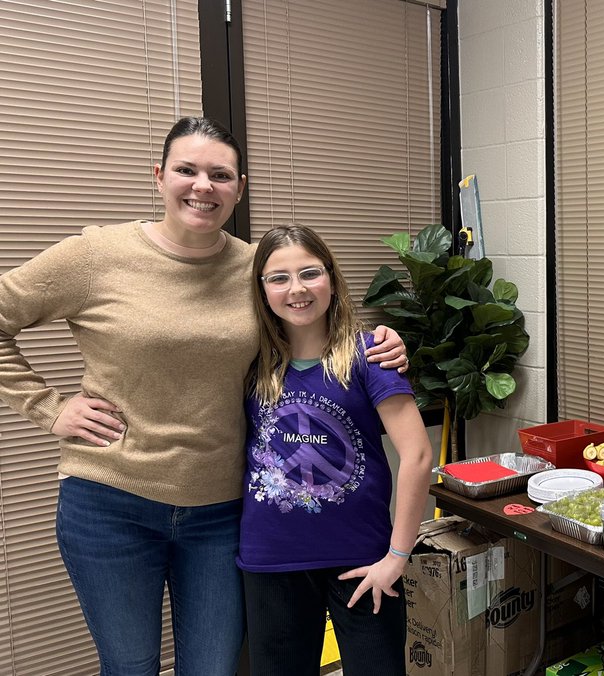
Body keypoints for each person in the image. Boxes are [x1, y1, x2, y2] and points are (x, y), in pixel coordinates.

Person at [0, 116, 407, 675]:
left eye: (220, 174)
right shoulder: (96, 256)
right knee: (131, 665)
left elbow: (310, 327)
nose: (203, 186)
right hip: (110, 503)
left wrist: (382, 341)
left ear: (239, 188)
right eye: (186, 170)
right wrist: (47, 407)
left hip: (220, 511)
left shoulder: (256, 268)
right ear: (159, 176)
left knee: (213, 669)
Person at [239, 224, 431, 676]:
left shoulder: (372, 356)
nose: (297, 289)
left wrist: (397, 557)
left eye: (309, 273)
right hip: (271, 561)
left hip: (364, 560)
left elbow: (418, 456)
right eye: (279, 277)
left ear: (331, 277)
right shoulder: (250, 364)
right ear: (262, 288)